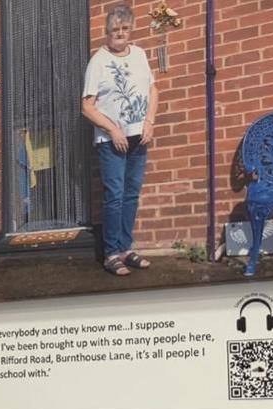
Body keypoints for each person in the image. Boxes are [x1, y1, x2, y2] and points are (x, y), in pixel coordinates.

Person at [81, 3, 159, 276]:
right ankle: (111, 252)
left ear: (131, 29)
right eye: (115, 29)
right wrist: (113, 129)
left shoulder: (139, 54)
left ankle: (126, 247)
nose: (120, 33)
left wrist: (149, 121)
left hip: (139, 137)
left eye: (125, 28)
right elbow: (87, 106)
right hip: (111, 141)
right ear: (107, 31)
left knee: (131, 194)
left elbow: (152, 90)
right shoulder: (98, 62)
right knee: (114, 196)